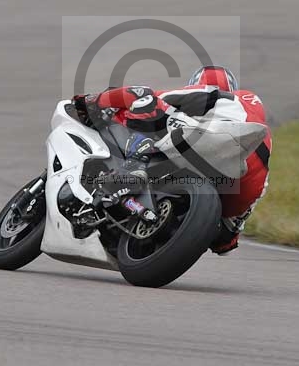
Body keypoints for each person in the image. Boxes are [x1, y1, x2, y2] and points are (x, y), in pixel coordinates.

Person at [73, 66, 271, 255]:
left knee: (144, 100)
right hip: (248, 173)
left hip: (212, 140)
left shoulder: (218, 96)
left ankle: (132, 167)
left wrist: (90, 102)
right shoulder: (252, 111)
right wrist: (219, 233)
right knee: (223, 234)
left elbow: (144, 94)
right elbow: (224, 243)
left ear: (196, 83)